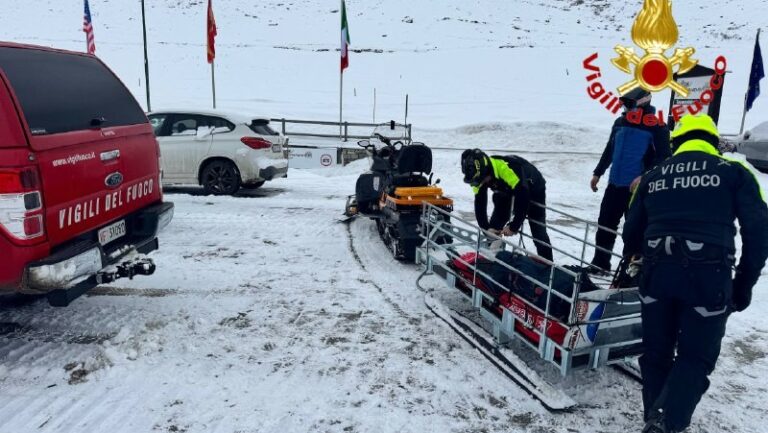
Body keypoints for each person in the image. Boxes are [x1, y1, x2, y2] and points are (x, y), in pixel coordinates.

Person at [622, 114, 768, 433]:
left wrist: (636, 263)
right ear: (713, 142)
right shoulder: (735, 173)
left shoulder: (653, 175)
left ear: (676, 143)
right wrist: (742, 286)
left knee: (656, 352)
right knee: (695, 355)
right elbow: (759, 233)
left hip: (657, 275)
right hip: (708, 278)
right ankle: (665, 421)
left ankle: (656, 417)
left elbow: (631, 233)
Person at [590, 89, 671, 272]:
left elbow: (664, 157)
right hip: (615, 184)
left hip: (637, 189)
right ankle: (600, 264)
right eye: (623, 103)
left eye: (628, 103)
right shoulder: (619, 123)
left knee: (633, 231)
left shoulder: (657, 127)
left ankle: (630, 269)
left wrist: (644, 176)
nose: (624, 107)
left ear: (642, 103)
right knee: (605, 224)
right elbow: (610, 149)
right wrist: (598, 172)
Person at [461, 149, 553, 261]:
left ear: (487, 171)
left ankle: (548, 266)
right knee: (494, 225)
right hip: (505, 190)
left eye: (483, 180)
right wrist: (486, 228)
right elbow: (480, 203)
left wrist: (514, 226)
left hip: (533, 187)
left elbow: (523, 197)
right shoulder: (477, 177)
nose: (482, 184)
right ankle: (493, 259)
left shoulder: (505, 169)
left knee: (538, 231)